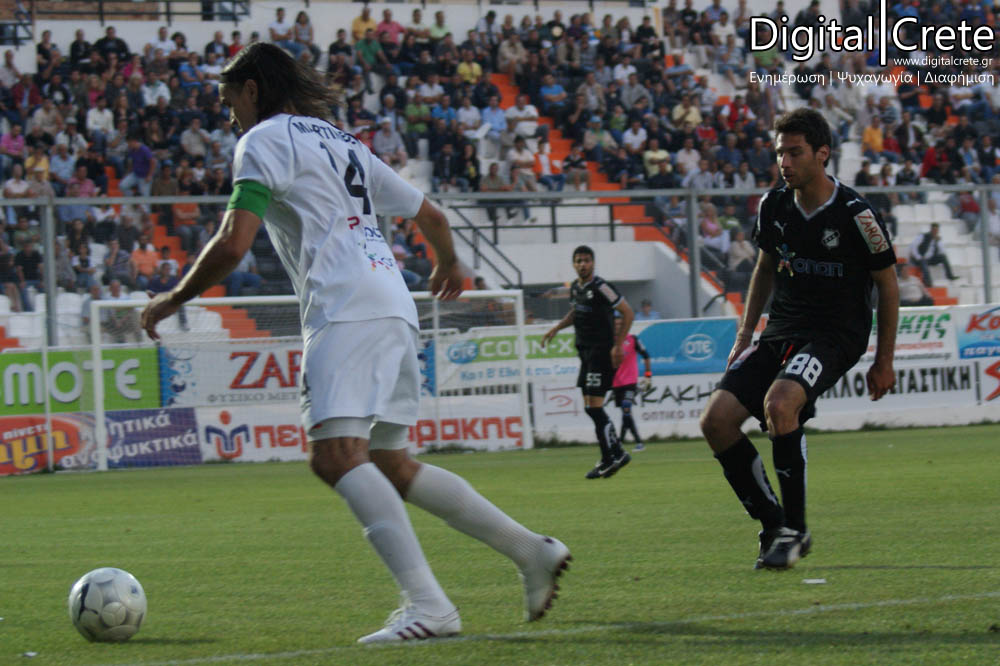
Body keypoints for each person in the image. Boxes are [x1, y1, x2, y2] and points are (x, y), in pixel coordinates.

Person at [140, 43, 570, 643]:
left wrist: (174, 297)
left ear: (253, 90)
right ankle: (530, 551)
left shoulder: (263, 140)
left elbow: (234, 242)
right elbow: (432, 216)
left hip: (344, 307)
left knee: (336, 456)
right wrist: (448, 263)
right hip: (393, 301)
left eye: (230, 99)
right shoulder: (344, 142)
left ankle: (429, 606)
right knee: (391, 463)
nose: (229, 114)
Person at [699, 108, 899, 571]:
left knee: (780, 403)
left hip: (835, 335)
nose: (784, 162)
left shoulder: (856, 214)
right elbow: (764, 268)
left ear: (822, 154)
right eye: (779, 153)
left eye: (794, 152)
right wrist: (745, 334)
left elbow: (887, 285)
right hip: (781, 331)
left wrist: (884, 360)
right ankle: (774, 525)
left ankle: (795, 529)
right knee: (716, 421)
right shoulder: (773, 206)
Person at [541, 245, 635, 479]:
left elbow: (628, 312)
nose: (582, 264)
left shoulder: (602, 287)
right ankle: (612, 455)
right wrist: (556, 328)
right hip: (584, 352)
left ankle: (614, 455)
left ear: (593, 263)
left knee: (594, 406)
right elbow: (575, 313)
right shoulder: (575, 287)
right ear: (573, 264)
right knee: (590, 406)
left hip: (601, 352)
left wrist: (618, 345)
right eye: (578, 261)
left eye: (586, 260)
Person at [611, 313, 651, 452]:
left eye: (620, 324)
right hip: (616, 383)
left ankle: (637, 442)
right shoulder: (609, 342)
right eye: (615, 324)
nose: (617, 326)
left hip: (630, 382)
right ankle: (622, 443)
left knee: (626, 407)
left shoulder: (633, 339)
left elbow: (646, 356)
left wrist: (648, 375)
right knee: (625, 413)